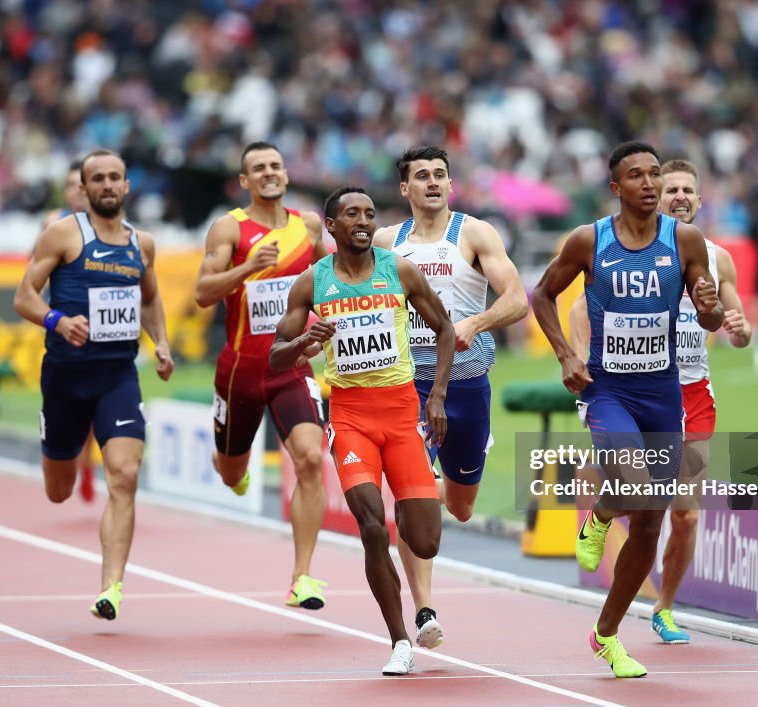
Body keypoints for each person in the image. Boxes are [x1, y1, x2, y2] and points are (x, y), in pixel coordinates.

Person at [532, 141, 722, 678]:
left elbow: (707, 321)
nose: (649, 183)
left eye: (655, 174)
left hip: (663, 392)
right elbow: (541, 295)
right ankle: (599, 516)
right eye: (635, 175)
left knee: (649, 524)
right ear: (616, 188)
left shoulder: (684, 240)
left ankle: (607, 634)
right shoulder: (588, 240)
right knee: (634, 485)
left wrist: (708, 307)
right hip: (608, 389)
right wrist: (567, 355)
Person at [269, 186, 454, 676]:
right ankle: (398, 639)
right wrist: (307, 340)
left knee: (426, 540)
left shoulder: (400, 269)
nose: (363, 220)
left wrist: (436, 397)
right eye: (351, 213)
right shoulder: (312, 283)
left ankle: (416, 609)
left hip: (400, 414)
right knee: (373, 527)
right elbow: (276, 354)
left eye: (370, 213)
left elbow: (446, 330)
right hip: (351, 418)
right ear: (331, 225)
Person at [569, 158, 751, 645]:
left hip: (690, 391)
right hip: (629, 386)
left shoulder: (714, 256)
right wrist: (582, 361)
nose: (679, 196)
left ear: (698, 196)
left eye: (688, 189)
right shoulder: (633, 243)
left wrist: (738, 326)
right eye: (671, 189)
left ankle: (664, 607)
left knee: (685, 511)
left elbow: (739, 327)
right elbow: (576, 305)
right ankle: (602, 515)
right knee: (638, 489)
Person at [372, 145, 527, 650]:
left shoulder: (476, 233)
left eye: (440, 174)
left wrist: (474, 323)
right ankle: (424, 612)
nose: (433, 182)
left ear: (450, 184)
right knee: (413, 496)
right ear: (405, 189)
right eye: (422, 176)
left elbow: (517, 299)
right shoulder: (384, 241)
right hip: (406, 384)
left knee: (459, 506)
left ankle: (429, 489)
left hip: (466, 383)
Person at [14, 149, 175, 620]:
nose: (107, 185)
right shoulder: (63, 234)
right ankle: (64, 453)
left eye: (115, 178)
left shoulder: (141, 244)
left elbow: (150, 298)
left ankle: (111, 588)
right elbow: (23, 296)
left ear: (127, 187)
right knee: (58, 490)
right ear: (83, 190)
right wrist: (58, 321)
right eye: (97, 179)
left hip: (117, 376)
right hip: (65, 377)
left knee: (124, 474)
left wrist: (161, 342)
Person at [194, 141, 330, 610]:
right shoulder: (230, 227)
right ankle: (228, 467)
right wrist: (248, 267)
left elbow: (327, 278)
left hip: (290, 364)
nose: (269, 173)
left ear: (287, 175)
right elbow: (202, 292)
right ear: (245, 181)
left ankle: (303, 577)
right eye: (258, 168)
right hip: (240, 373)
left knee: (311, 459)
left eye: (275, 165)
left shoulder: (307, 226)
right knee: (234, 469)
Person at [41, 160, 96, 504]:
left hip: (99, 326)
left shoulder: (109, 225)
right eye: (68, 185)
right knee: (66, 398)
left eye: (79, 184)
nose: (74, 191)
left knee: (96, 399)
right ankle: (64, 452)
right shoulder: (53, 224)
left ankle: (88, 463)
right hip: (61, 324)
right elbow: (36, 272)